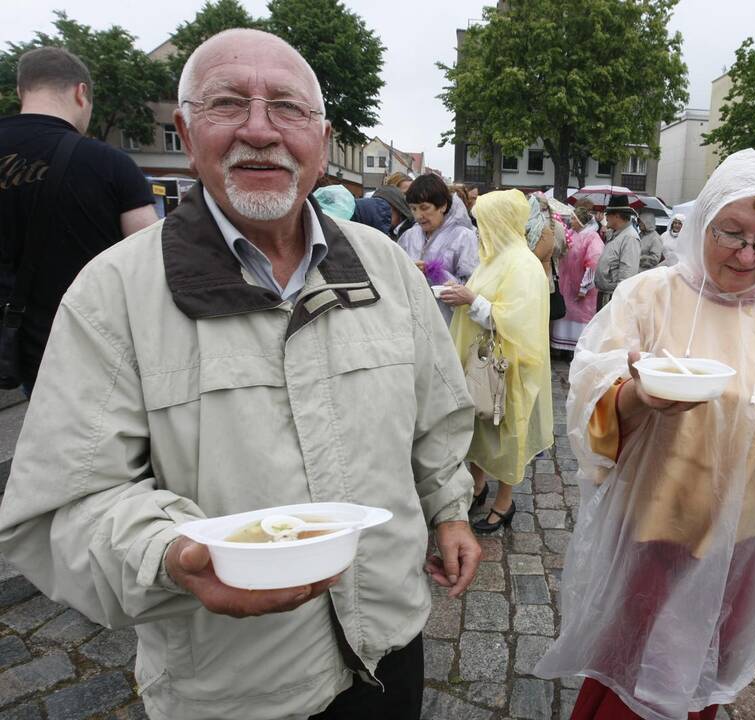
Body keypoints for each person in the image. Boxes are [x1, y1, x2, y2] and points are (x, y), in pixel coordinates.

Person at [0, 30, 481, 720]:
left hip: (390, 648)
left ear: (321, 137)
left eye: (286, 107)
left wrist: (450, 511)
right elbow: (61, 510)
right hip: (234, 688)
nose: (260, 129)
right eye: (229, 103)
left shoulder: (382, 268)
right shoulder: (114, 292)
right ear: (187, 133)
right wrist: (171, 553)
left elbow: (436, 417)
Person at [534, 149, 755, 719]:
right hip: (657, 526)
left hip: (749, 534)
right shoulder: (651, 295)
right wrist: (635, 395)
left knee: (702, 670)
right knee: (638, 672)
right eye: (731, 232)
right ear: (704, 221)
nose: (747, 255)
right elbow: (591, 392)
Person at [0, 47, 158, 394]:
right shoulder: (110, 164)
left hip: (9, 343)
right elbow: (152, 261)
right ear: (80, 92)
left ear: (20, 91)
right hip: (83, 349)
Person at [438, 190, 554, 534]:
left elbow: (516, 320)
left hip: (510, 368)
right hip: (483, 363)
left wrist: (471, 299)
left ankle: (504, 502)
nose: (478, 229)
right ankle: (478, 485)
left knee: (507, 433)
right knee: (481, 427)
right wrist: (462, 293)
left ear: (499, 222)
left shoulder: (523, 264)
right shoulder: (495, 258)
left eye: (483, 222)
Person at [399, 173, 479, 323]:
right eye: (413, 209)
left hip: (447, 323)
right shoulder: (409, 236)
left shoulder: (464, 237)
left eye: (424, 208)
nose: (418, 215)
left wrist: (435, 272)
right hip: (412, 320)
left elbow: (472, 285)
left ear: (443, 206)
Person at [551, 200, 605, 354]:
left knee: (580, 320)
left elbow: (594, 262)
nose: (571, 221)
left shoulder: (592, 238)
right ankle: (561, 348)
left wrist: (584, 286)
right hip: (566, 285)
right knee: (565, 315)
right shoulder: (571, 234)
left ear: (581, 221)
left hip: (581, 288)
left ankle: (575, 350)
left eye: (574, 218)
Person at [594, 195, 641, 309]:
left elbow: (627, 275)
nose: (606, 217)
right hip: (606, 294)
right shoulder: (617, 234)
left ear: (617, 216)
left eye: (608, 214)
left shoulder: (630, 238)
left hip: (614, 297)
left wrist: (619, 303)